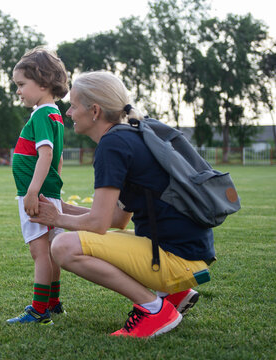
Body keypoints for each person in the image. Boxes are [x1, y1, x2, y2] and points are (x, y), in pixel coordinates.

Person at [29, 71, 215, 337]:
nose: (68, 113)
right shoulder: (131, 134)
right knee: (93, 238)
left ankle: (154, 309)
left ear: (94, 110)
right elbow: (118, 219)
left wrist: (55, 219)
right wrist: (65, 209)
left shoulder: (112, 145)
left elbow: (99, 224)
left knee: (64, 246)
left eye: (73, 105)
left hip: (176, 258)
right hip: (191, 254)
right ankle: (174, 295)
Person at [6, 47, 69, 326]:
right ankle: (53, 303)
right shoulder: (55, 114)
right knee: (51, 249)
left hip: (36, 195)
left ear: (43, 83)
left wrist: (33, 192)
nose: (18, 91)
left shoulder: (42, 115)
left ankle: (39, 309)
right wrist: (52, 191)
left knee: (39, 251)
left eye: (21, 85)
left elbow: (45, 154)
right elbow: (59, 157)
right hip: (48, 193)